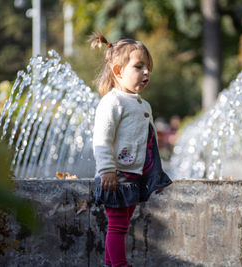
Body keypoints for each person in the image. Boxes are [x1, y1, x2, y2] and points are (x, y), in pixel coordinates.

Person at [89, 32, 173, 267]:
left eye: (148, 68)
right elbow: (102, 138)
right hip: (116, 176)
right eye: (139, 67)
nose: (146, 73)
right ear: (118, 71)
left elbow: (149, 143)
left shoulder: (143, 104)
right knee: (116, 227)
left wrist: (156, 176)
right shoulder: (112, 102)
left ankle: (110, 264)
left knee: (122, 226)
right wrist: (106, 169)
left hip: (134, 175)